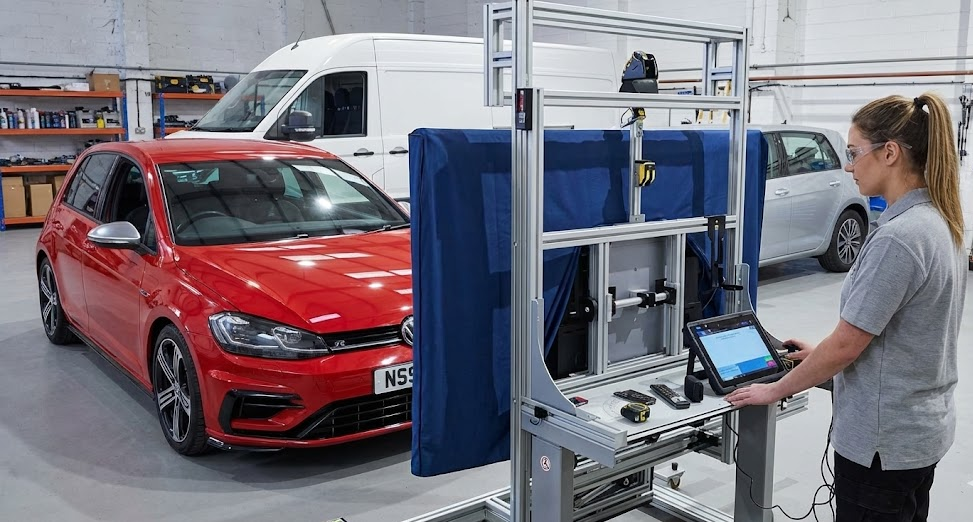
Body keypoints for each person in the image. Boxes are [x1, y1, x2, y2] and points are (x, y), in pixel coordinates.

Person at [726, 92, 966, 522]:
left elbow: (847, 347)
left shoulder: (899, 238)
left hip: (881, 445)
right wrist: (816, 353)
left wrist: (775, 390)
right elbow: (898, 333)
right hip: (918, 433)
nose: (849, 166)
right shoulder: (938, 221)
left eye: (855, 153)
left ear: (889, 153)